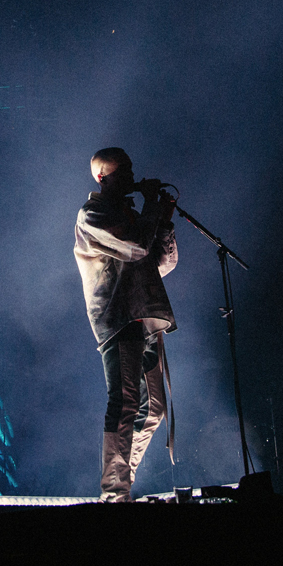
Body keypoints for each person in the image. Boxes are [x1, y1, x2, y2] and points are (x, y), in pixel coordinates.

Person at [73, 147, 179, 502]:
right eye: (124, 172)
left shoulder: (130, 215)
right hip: (118, 318)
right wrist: (150, 211)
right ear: (104, 177)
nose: (132, 177)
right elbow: (134, 247)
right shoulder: (93, 214)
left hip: (145, 316)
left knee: (156, 409)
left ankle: (122, 482)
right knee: (125, 402)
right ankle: (114, 494)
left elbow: (161, 263)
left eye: (132, 169)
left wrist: (163, 222)